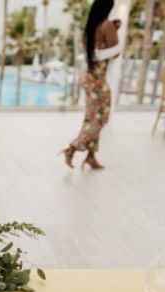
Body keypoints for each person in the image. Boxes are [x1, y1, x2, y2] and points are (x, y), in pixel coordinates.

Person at [61, 0, 121, 170]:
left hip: (89, 78)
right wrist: (115, 30)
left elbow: (96, 53)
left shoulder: (90, 27)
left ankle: (91, 156)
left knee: (92, 117)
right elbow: (115, 52)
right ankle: (72, 147)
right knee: (101, 118)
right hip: (98, 81)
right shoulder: (106, 25)